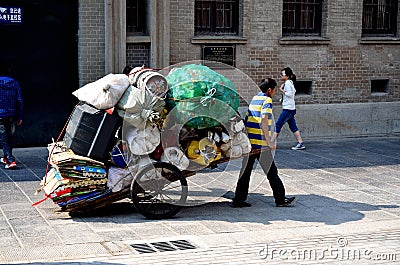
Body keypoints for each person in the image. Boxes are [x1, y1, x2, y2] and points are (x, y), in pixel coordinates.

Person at [232, 78, 295, 208]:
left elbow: (248, 119)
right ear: (269, 90)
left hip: (250, 143)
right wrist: (269, 142)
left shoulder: (255, 99)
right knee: (272, 172)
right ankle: (280, 199)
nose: (275, 92)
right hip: (260, 144)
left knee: (245, 172)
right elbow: (264, 120)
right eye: (275, 90)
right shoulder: (267, 100)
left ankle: (238, 199)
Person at [272, 67, 305, 150]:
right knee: (293, 126)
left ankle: (271, 144)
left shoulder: (287, 83)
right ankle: (300, 143)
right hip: (290, 108)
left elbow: (289, 94)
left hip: (288, 109)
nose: (280, 76)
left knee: (278, 125)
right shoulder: (290, 82)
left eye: (282, 74)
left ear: (287, 76)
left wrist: (281, 90)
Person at [0, 62, 23, 169]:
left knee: (4, 137)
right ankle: (5, 158)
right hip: (11, 114)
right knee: (8, 136)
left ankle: (10, 160)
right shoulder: (14, 83)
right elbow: (19, 100)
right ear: (8, 70)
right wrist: (19, 116)